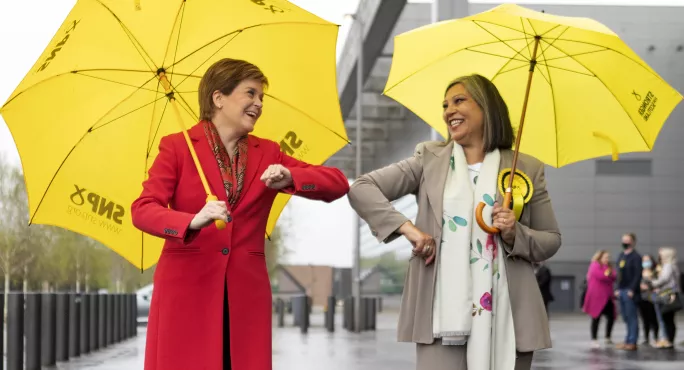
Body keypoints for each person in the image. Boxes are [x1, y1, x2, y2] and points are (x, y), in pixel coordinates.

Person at [131, 58, 349, 370]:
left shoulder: (269, 153)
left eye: (261, 97)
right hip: (186, 295)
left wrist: (291, 177)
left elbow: (338, 183)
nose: (258, 104)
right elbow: (142, 209)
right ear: (218, 98)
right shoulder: (178, 148)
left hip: (246, 296)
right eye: (250, 94)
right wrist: (191, 220)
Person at [348, 74, 561, 370]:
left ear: (487, 107)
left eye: (459, 100)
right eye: (445, 105)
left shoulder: (525, 168)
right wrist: (410, 231)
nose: (449, 111)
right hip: (441, 316)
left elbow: (550, 240)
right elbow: (362, 188)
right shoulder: (428, 159)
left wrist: (514, 232)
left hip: (510, 316)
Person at [645, 247, 681, 348]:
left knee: (666, 317)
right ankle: (668, 339)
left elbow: (664, 279)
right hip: (671, 293)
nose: (659, 256)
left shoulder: (668, 266)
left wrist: (652, 283)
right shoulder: (673, 266)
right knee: (669, 318)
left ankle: (668, 340)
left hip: (668, 294)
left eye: (661, 254)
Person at [582, 250, 616, 349]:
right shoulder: (595, 265)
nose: (607, 259)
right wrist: (608, 276)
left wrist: (609, 275)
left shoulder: (609, 267)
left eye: (608, 257)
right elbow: (601, 276)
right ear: (600, 257)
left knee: (611, 317)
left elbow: (614, 275)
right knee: (596, 317)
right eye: (605, 257)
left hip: (608, 296)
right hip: (597, 297)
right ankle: (594, 339)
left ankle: (608, 337)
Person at [614, 233, 643, 351]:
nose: (625, 242)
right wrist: (616, 288)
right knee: (625, 317)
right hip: (621, 290)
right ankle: (627, 340)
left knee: (632, 317)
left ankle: (632, 341)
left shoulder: (636, 257)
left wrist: (632, 289)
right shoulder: (621, 255)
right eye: (623, 240)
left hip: (630, 291)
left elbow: (637, 275)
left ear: (633, 242)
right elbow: (618, 274)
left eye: (627, 240)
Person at [638, 254, 660, 346]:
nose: (646, 262)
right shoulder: (639, 272)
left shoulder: (655, 272)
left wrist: (650, 285)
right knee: (644, 319)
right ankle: (646, 338)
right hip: (642, 298)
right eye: (644, 260)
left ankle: (656, 337)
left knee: (653, 318)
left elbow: (658, 283)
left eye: (648, 260)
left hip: (652, 298)